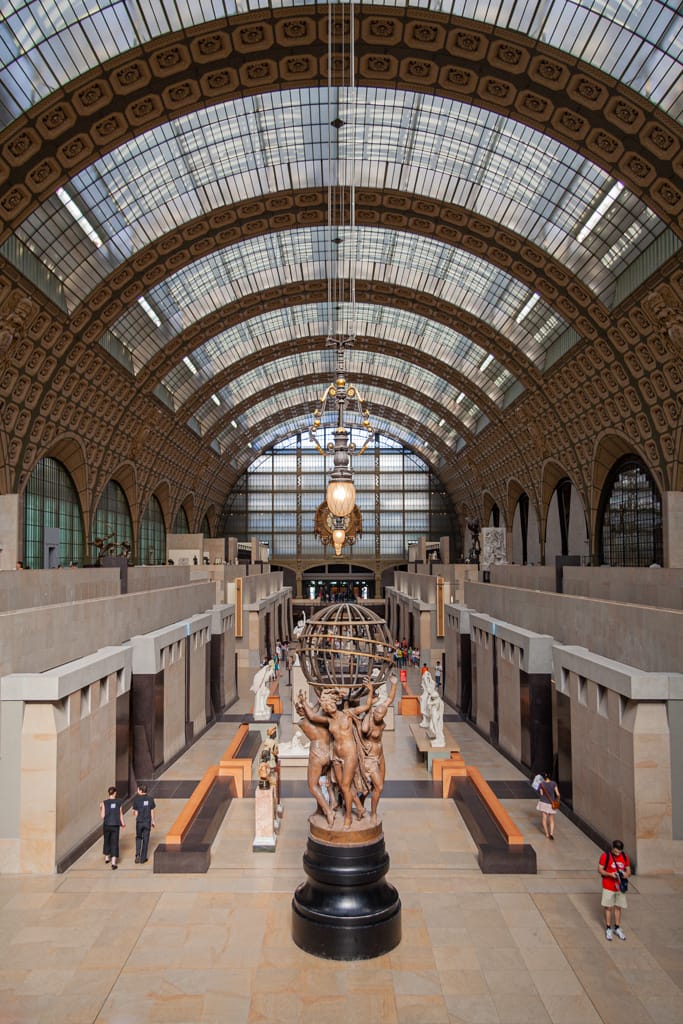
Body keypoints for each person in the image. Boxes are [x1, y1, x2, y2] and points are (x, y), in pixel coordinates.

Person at [599, 839, 631, 940]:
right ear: (612, 848)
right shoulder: (605, 856)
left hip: (620, 886)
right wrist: (610, 874)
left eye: (619, 852)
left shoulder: (625, 857)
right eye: (616, 851)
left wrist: (626, 875)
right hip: (608, 885)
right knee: (608, 907)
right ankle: (608, 928)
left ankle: (617, 927)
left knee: (618, 907)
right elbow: (600, 869)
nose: (618, 854)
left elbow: (628, 870)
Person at [100, 785, 125, 869]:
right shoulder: (119, 802)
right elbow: (120, 813)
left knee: (107, 840)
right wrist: (123, 823)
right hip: (115, 825)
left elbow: (102, 816)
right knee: (114, 842)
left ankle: (107, 857)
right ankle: (113, 863)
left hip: (107, 824)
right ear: (115, 793)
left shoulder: (104, 802)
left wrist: (101, 808)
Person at [132, 783, 156, 863]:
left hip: (139, 822)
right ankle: (143, 858)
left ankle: (137, 854)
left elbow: (135, 813)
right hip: (147, 822)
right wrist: (153, 821)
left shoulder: (136, 800)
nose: (137, 790)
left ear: (141, 791)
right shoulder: (150, 799)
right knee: (146, 839)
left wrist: (135, 813)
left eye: (138, 789)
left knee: (139, 837)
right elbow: (152, 811)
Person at [536, 772, 560, 839]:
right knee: (551, 819)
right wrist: (557, 800)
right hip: (551, 803)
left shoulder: (541, 784)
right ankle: (551, 833)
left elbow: (541, 794)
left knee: (544, 819)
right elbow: (558, 794)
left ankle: (546, 833)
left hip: (543, 803)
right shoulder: (554, 784)